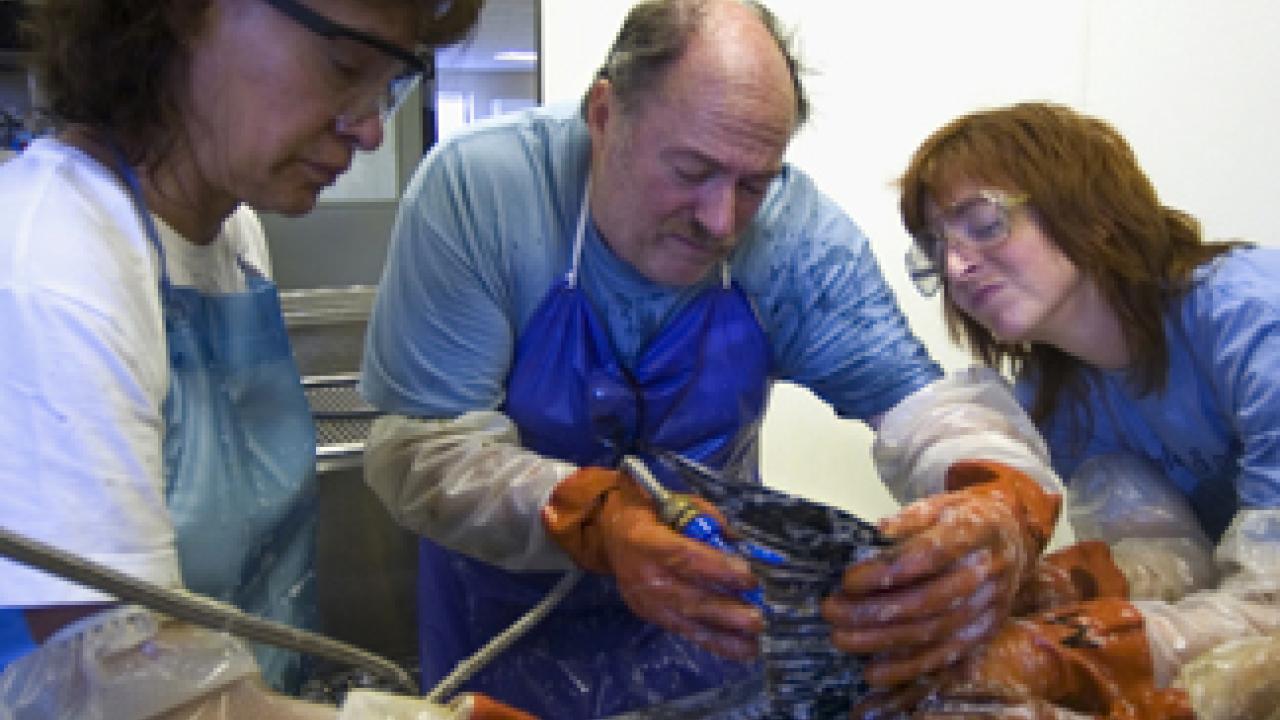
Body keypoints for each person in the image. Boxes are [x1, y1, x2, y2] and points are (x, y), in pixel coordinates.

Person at [359, 1, 1068, 717]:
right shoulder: (483, 193)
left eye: (753, 184)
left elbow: (925, 410)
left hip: (705, 635)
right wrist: (594, 519)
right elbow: (420, 447)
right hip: (502, 630)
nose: (721, 220)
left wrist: (999, 496)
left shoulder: (800, 239)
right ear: (605, 115)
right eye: (692, 170)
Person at [0, 1, 521, 718]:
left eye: (387, 85)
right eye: (344, 66)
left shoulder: (231, 237)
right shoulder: (50, 263)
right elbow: (120, 695)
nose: (370, 129)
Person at [875, 100, 1280, 719]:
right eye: (936, 247)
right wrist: (1048, 588)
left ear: (1090, 212)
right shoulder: (1056, 396)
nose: (956, 266)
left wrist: (1063, 653)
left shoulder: (1251, 316)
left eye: (982, 223)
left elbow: (1271, 604)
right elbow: (1173, 557)